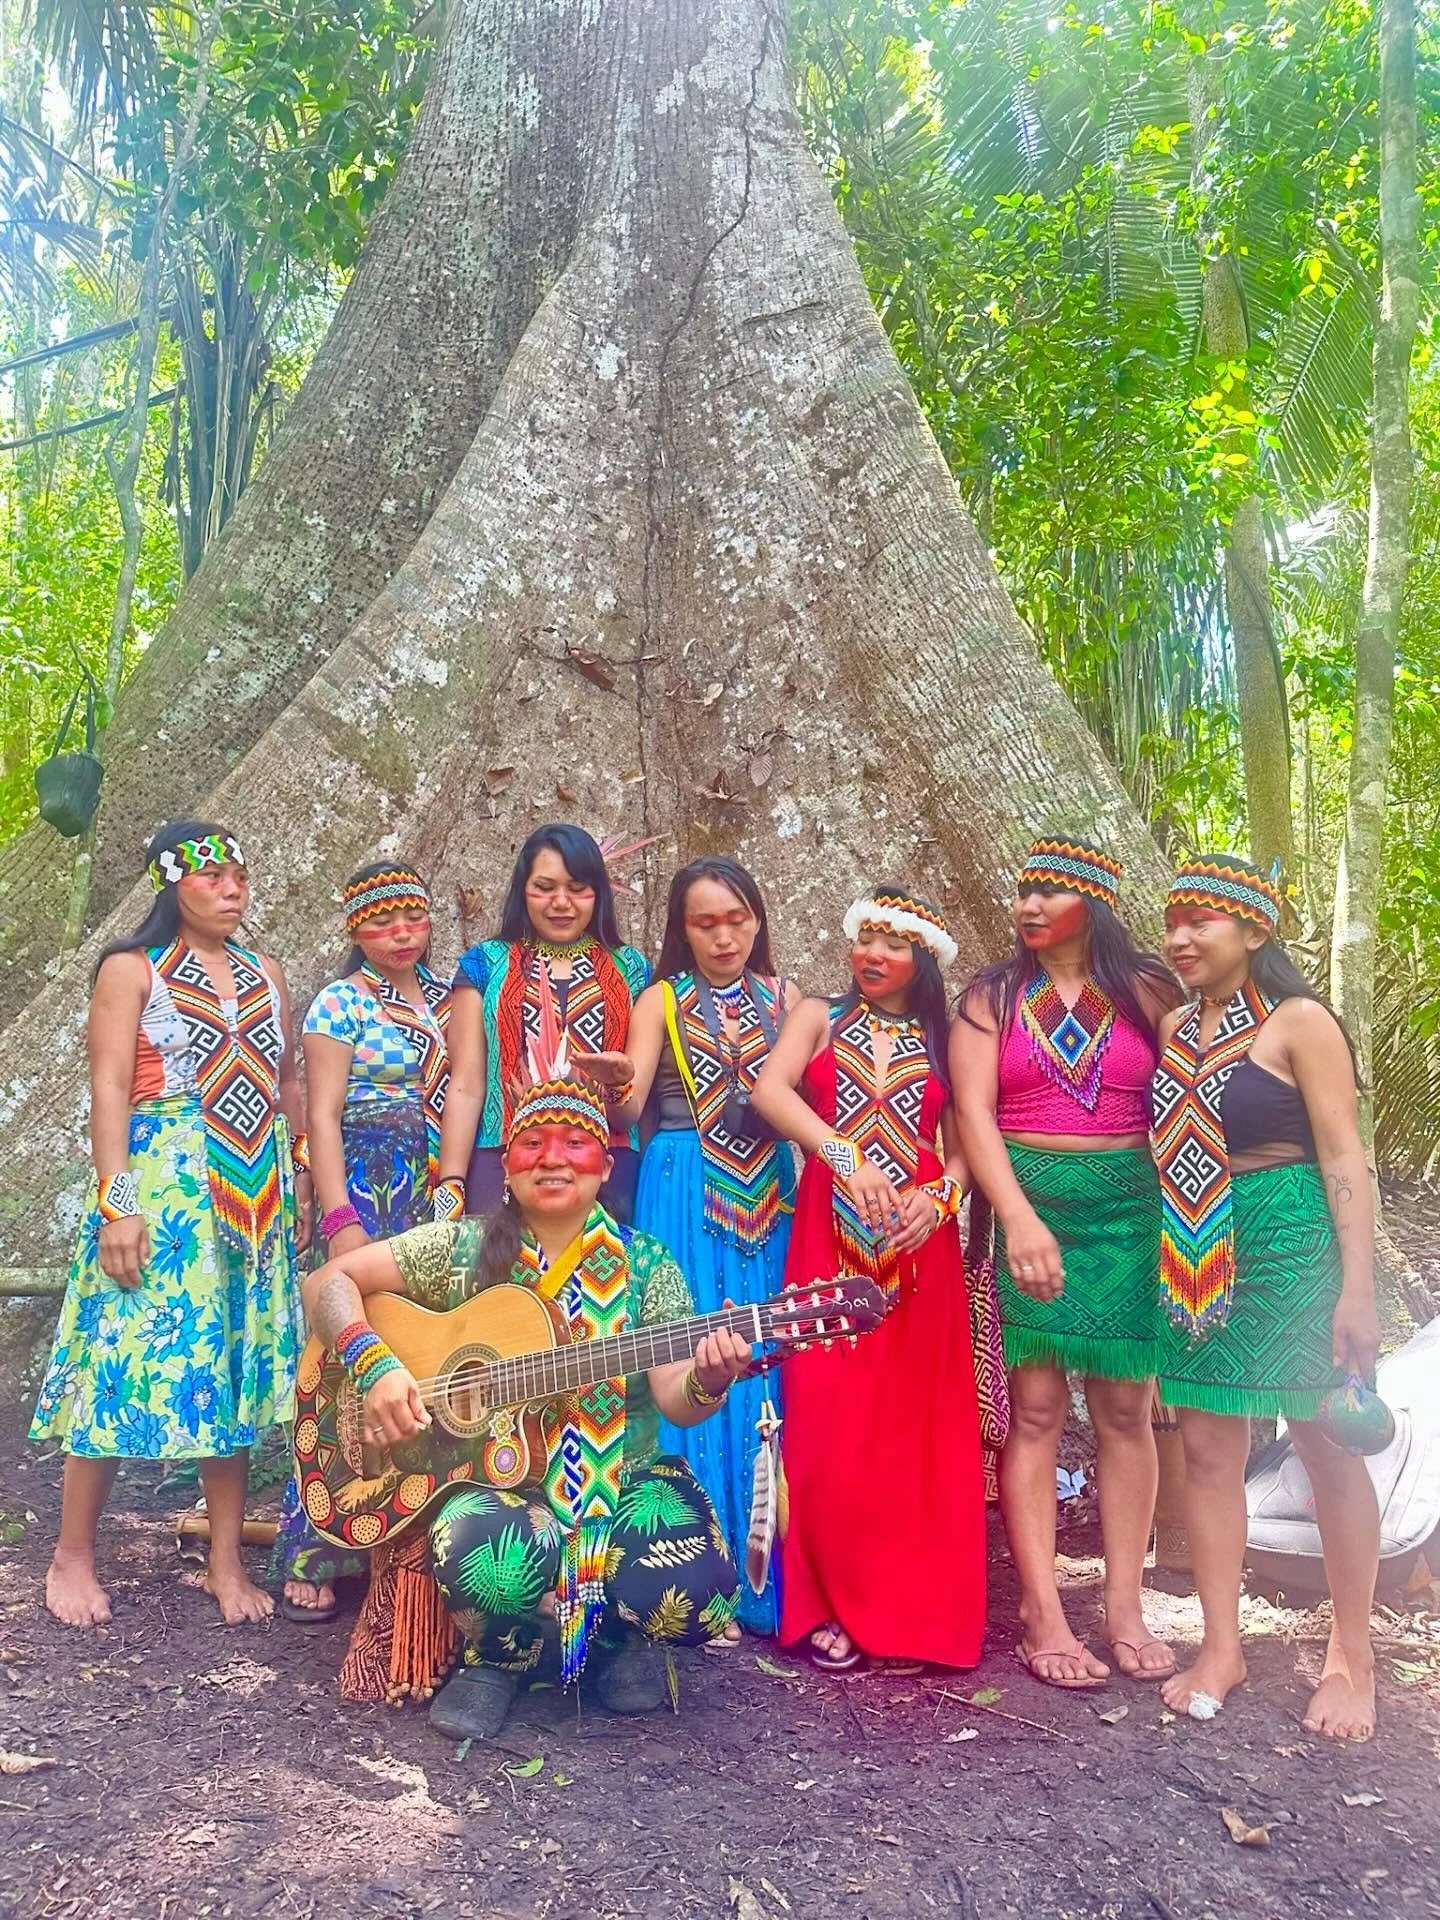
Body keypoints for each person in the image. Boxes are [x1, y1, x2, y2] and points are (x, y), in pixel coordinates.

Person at [300, 1047, 749, 1739]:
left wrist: (709, 1378)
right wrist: (376, 1365)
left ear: (605, 1165)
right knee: (476, 1540)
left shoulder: (647, 1263)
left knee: (696, 1590)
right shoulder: (459, 1248)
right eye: (532, 1143)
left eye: (575, 1143)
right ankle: (498, 1655)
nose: (553, 1159)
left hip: (620, 1478)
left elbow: (674, 1399)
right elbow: (327, 1283)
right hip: (499, 1488)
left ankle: (618, 1636)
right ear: (506, 1164)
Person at [31, 820, 310, 1628]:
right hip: (163, 1187)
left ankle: (225, 1561)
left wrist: (295, 1173)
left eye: (239, 875)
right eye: (212, 876)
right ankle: (71, 1555)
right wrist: (117, 1203)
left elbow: (286, 1080)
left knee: (232, 1364)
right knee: (119, 1356)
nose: (231, 889)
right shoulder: (133, 969)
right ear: (171, 883)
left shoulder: (265, 973)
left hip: (252, 1192)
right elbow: (109, 1087)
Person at [1152, 855, 1380, 1739]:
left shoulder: (1300, 1022)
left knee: (1327, 1446)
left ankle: (1352, 1655)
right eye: (1172, 922)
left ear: (1254, 929)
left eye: (1200, 921)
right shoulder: (1175, 1025)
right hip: (1195, 1256)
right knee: (1210, 1452)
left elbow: (1343, 1154)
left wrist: (1356, 1289)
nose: (1180, 938)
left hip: (1293, 1251)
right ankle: (1222, 1647)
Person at [952, 836, 1180, 1691]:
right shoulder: (993, 996)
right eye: (1024, 892)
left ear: (1095, 903)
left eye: (1050, 892)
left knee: (1125, 1409)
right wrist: (1018, 1220)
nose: (1029, 906)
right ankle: (1042, 1611)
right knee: (1038, 1410)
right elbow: (973, 1113)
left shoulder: (1148, 989)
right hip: (1031, 1211)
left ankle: (1124, 1606)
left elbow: (1190, 1095)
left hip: (1131, 1216)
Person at [751, 887, 985, 1673]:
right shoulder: (817, 1016)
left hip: (918, 1247)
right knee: (827, 1417)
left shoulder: (945, 1038)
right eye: (867, 938)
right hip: (827, 1235)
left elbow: (964, 1150)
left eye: (894, 943)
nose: (874, 954)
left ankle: (908, 1611)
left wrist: (941, 1201)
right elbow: (771, 1092)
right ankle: (833, 1601)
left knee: (911, 1429)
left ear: (924, 960)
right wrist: (843, 1154)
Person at [274, 863, 452, 1624]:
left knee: (424, 1354)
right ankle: (314, 1547)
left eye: (412, 917)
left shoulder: (449, 997)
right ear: (355, 930)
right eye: (381, 922)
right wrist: (338, 1212)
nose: (401, 933)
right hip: (366, 1183)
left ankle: (410, 1548)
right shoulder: (340, 1001)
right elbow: (321, 1116)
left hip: (432, 1189)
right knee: (343, 1359)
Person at [626, 857, 799, 1639]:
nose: (724, 935)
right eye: (705, 923)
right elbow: (630, 1101)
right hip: (681, 1186)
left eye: (736, 919)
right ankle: (694, 1576)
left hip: (771, 1195)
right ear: (682, 930)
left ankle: (778, 1576)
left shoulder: (787, 999)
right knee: (691, 1361)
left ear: (757, 920)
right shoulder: (659, 999)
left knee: (768, 1366)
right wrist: (608, 1084)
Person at [435, 824, 650, 1222]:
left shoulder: (631, 969)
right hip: (502, 1159)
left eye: (577, 888)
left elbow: (633, 1106)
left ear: (598, 893)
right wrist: (451, 1183)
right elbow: (466, 1085)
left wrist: (617, 1083)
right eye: (545, 887)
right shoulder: (486, 964)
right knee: (502, 1264)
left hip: (606, 1160)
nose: (561, 902)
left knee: (601, 1264)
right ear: (523, 890)